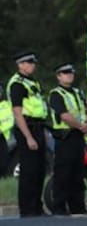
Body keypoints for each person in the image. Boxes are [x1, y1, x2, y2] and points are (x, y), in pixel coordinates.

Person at [7, 51, 48, 217]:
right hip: (26, 126)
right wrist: (28, 137)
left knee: (39, 169)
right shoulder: (17, 84)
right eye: (29, 63)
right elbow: (17, 113)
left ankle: (37, 207)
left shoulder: (32, 82)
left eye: (33, 62)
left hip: (37, 125)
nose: (33, 65)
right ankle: (27, 208)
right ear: (20, 64)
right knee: (29, 171)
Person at [48, 63, 87, 215]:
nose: (69, 75)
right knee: (63, 173)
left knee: (78, 173)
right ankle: (59, 207)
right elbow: (64, 115)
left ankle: (78, 206)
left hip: (78, 136)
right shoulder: (56, 94)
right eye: (65, 73)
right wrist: (81, 126)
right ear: (58, 76)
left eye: (71, 72)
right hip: (65, 137)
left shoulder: (78, 92)